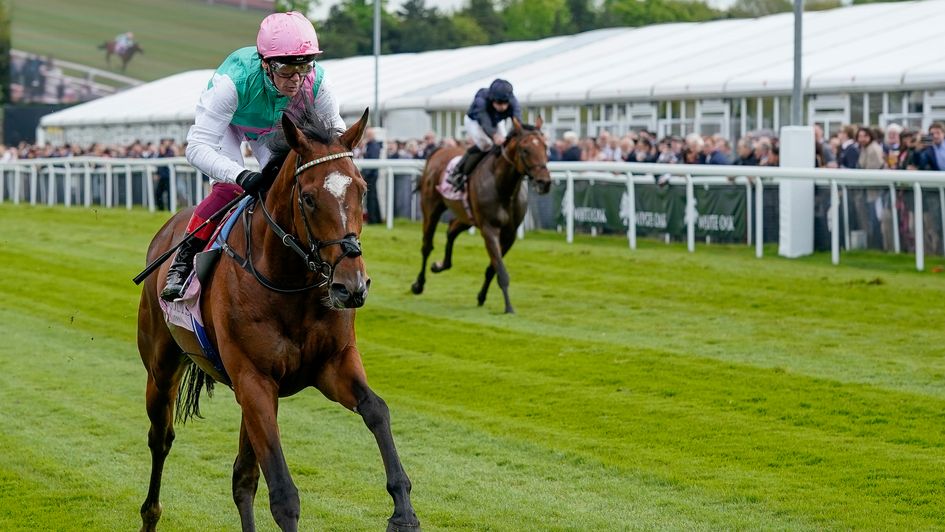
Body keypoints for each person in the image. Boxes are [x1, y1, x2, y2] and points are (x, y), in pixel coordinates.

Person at [160, 11, 345, 302]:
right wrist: (241, 174)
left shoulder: (318, 82)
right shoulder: (232, 83)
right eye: (286, 71)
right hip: (230, 124)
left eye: (304, 68)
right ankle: (183, 260)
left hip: (273, 129)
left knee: (287, 186)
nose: (296, 80)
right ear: (266, 64)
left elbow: (337, 137)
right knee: (230, 188)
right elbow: (196, 147)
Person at [447, 78, 522, 191]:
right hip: (475, 121)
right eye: (499, 103)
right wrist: (494, 135)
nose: (503, 106)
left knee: (505, 144)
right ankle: (458, 171)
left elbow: (517, 121)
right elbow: (484, 121)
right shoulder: (481, 100)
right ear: (492, 99)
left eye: (505, 103)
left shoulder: (513, 101)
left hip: (496, 121)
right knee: (485, 144)